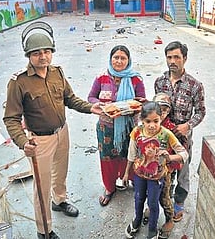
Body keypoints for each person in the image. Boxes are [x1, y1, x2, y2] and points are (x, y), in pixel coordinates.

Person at [3, 21, 103, 239]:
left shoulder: (57, 73)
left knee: (60, 173)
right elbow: (11, 118)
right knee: (41, 187)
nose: (43, 56)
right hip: (39, 141)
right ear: (28, 55)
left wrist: (91, 108)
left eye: (47, 51)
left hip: (62, 132)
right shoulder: (19, 82)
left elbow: (70, 99)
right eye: (37, 53)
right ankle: (44, 230)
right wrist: (23, 142)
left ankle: (60, 200)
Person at [88, 45, 146, 206]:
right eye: (116, 57)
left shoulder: (135, 79)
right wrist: (99, 104)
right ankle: (109, 187)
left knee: (131, 156)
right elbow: (91, 97)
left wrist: (134, 105)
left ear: (128, 61)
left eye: (123, 58)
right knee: (107, 159)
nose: (119, 61)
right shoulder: (101, 77)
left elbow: (142, 101)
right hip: (106, 127)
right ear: (110, 58)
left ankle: (130, 179)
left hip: (129, 128)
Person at [154, 41, 206, 222]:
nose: (172, 61)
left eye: (176, 57)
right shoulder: (159, 82)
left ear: (185, 58)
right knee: (164, 169)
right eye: (169, 57)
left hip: (182, 139)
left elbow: (201, 112)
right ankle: (162, 201)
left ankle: (179, 204)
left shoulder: (195, 85)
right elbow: (156, 108)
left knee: (182, 172)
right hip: (161, 136)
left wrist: (188, 125)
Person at [123, 101, 188, 239]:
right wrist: (126, 173)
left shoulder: (166, 134)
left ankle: (152, 229)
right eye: (148, 121)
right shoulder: (137, 132)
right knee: (138, 198)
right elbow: (132, 154)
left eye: (156, 121)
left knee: (153, 202)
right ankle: (137, 220)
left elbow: (184, 154)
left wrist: (170, 157)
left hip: (157, 177)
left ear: (161, 118)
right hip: (139, 174)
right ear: (142, 120)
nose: (152, 125)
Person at [153, 92, 188, 238]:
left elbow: (183, 154)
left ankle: (169, 220)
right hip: (147, 172)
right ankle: (150, 210)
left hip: (166, 172)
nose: (161, 113)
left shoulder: (173, 130)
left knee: (164, 197)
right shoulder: (145, 126)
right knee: (149, 194)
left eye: (165, 109)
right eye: (158, 108)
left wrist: (169, 158)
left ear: (169, 111)